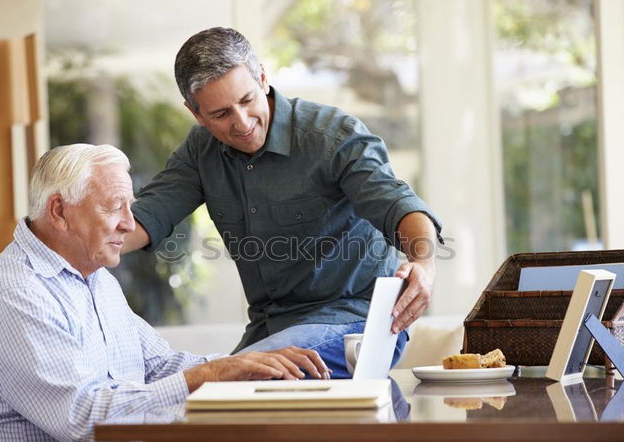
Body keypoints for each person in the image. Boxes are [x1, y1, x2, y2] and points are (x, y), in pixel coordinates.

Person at [0, 144, 329, 442]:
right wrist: (209, 376)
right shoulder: (14, 295)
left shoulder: (93, 277)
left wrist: (243, 369)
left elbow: (156, 366)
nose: (128, 224)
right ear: (59, 211)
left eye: (129, 207)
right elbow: (85, 422)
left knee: (289, 439)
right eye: (114, 207)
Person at [123, 27, 443, 378]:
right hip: (271, 331)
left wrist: (422, 263)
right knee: (194, 398)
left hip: (357, 324)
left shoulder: (331, 135)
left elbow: (398, 203)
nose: (241, 123)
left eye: (246, 101)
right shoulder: (201, 151)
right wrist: (71, 247)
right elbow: (145, 219)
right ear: (196, 113)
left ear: (262, 78)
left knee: (218, 382)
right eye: (221, 114)